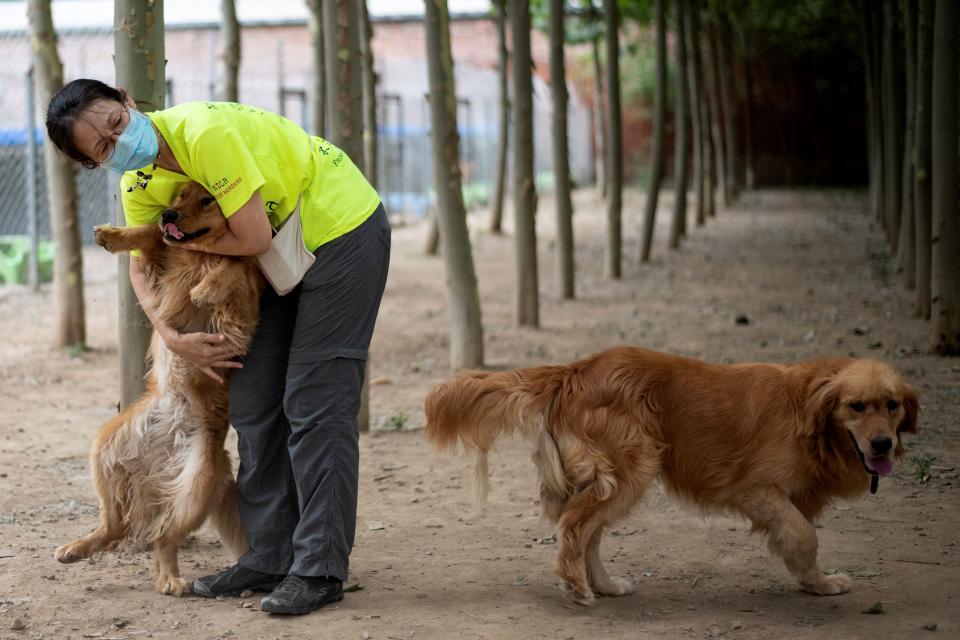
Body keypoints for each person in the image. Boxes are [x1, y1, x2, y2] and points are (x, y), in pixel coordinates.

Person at [45, 79, 390, 615]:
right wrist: (172, 334)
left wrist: (176, 238)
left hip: (335, 227)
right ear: (94, 164)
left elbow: (249, 235)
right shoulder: (139, 180)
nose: (119, 142)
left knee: (315, 401)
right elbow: (142, 267)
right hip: (264, 258)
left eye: (116, 124)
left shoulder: (204, 134)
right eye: (105, 148)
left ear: (128, 102)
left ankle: (319, 568)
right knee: (252, 401)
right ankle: (268, 554)